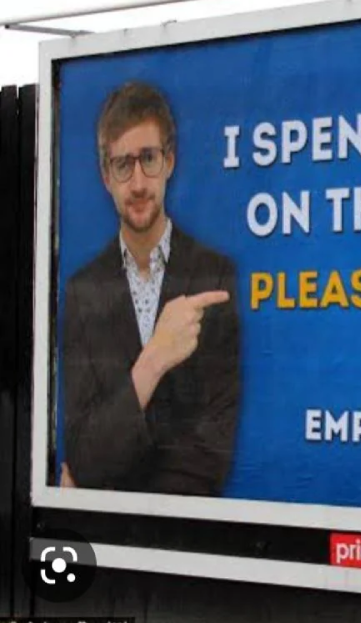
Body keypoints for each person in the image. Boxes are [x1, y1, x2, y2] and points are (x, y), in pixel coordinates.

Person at [61, 81, 241, 496]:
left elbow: (210, 457)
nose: (138, 182)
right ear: (106, 176)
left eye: (149, 159)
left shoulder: (214, 277)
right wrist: (153, 361)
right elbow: (82, 451)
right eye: (123, 164)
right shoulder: (83, 290)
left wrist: (106, 489)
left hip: (182, 543)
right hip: (103, 547)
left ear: (170, 161)